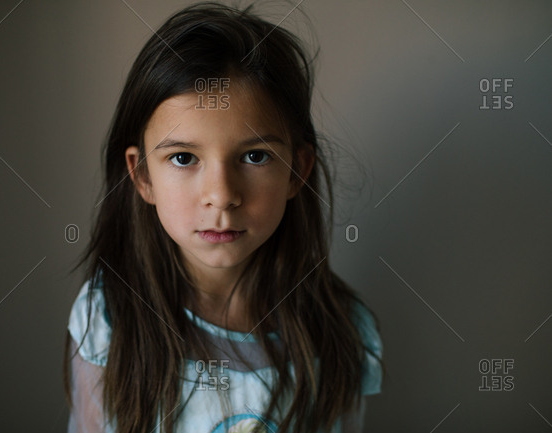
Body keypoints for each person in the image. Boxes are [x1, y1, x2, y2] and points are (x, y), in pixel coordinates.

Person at [63, 2, 383, 432]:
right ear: (142, 177)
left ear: (297, 171)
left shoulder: (341, 330)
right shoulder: (109, 320)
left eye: (254, 156)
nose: (222, 196)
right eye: (183, 157)